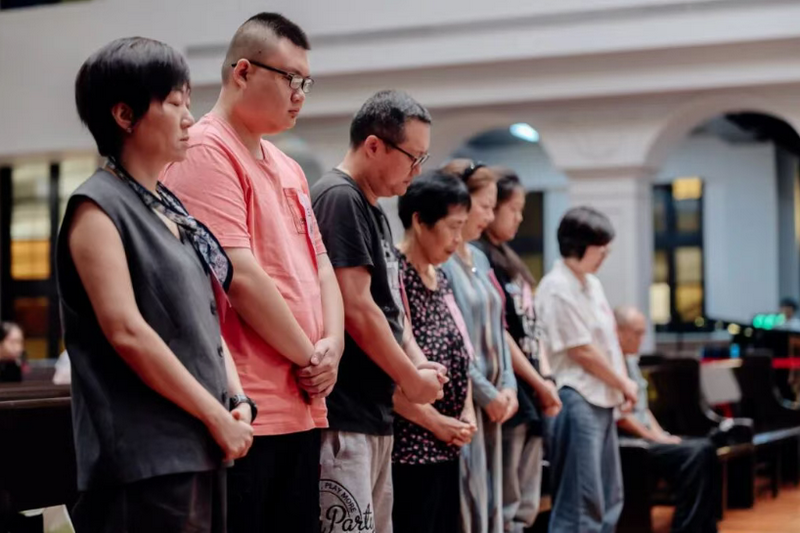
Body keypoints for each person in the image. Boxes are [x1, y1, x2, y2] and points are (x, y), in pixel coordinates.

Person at [60, 37, 254, 533]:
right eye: (173, 103)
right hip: (145, 462)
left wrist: (237, 401)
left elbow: (205, 318)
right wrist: (216, 416)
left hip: (200, 448)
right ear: (125, 115)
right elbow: (127, 332)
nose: (189, 118)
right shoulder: (96, 208)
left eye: (188, 102)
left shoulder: (169, 208)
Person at [161, 13, 344, 533]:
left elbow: (322, 266)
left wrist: (333, 347)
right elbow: (237, 276)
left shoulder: (289, 167)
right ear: (243, 72)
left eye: (306, 82)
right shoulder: (205, 150)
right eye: (291, 79)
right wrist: (311, 356)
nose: (299, 95)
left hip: (303, 397)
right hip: (248, 407)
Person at [311, 89, 447, 533]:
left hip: (372, 413)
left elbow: (390, 309)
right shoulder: (339, 198)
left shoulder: (373, 209)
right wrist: (410, 379)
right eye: (413, 157)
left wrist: (417, 363)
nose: (417, 170)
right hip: (344, 413)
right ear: (373, 145)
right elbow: (356, 307)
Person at [535, 206, 637, 533]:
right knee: (581, 503)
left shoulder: (591, 284)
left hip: (600, 398)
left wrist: (622, 385)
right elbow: (582, 351)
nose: (605, 253)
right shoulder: (556, 286)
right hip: (576, 398)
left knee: (609, 497)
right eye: (600, 246)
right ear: (578, 244)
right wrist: (623, 383)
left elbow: (608, 343)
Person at [474, 167, 562, 533]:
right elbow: (498, 332)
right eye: (513, 209)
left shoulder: (509, 257)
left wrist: (545, 378)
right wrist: (538, 383)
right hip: (512, 389)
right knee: (507, 497)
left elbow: (532, 327)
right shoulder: (480, 256)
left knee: (527, 498)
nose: (519, 218)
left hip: (531, 386)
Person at [391, 170, 477, 533]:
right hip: (412, 447)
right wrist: (436, 423)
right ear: (420, 221)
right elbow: (388, 371)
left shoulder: (440, 277)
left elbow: (460, 349)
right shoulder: (394, 273)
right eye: (453, 227)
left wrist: (466, 411)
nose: (458, 239)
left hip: (448, 443)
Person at [440, 160, 517, 533]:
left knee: (494, 497)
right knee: (469, 496)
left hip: (496, 400)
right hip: (469, 399)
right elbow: (453, 340)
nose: (489, 216)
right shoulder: (444, 262)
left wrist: (510, 386)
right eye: (484, 206)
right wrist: (488, 394)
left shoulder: (481, 257)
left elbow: (499, 327)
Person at [615, 305, 719, 533]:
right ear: (618, 332)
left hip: (646, 437)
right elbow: (621, 418)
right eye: (637, 333)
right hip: (628, 441)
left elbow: (643, 410)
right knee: (694, 454)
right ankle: (686, 528)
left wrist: (662, 435)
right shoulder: (611, 363)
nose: (641, 339)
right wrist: (655, 439)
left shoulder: (630, 361)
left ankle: (705, 529)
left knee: (706, 448)